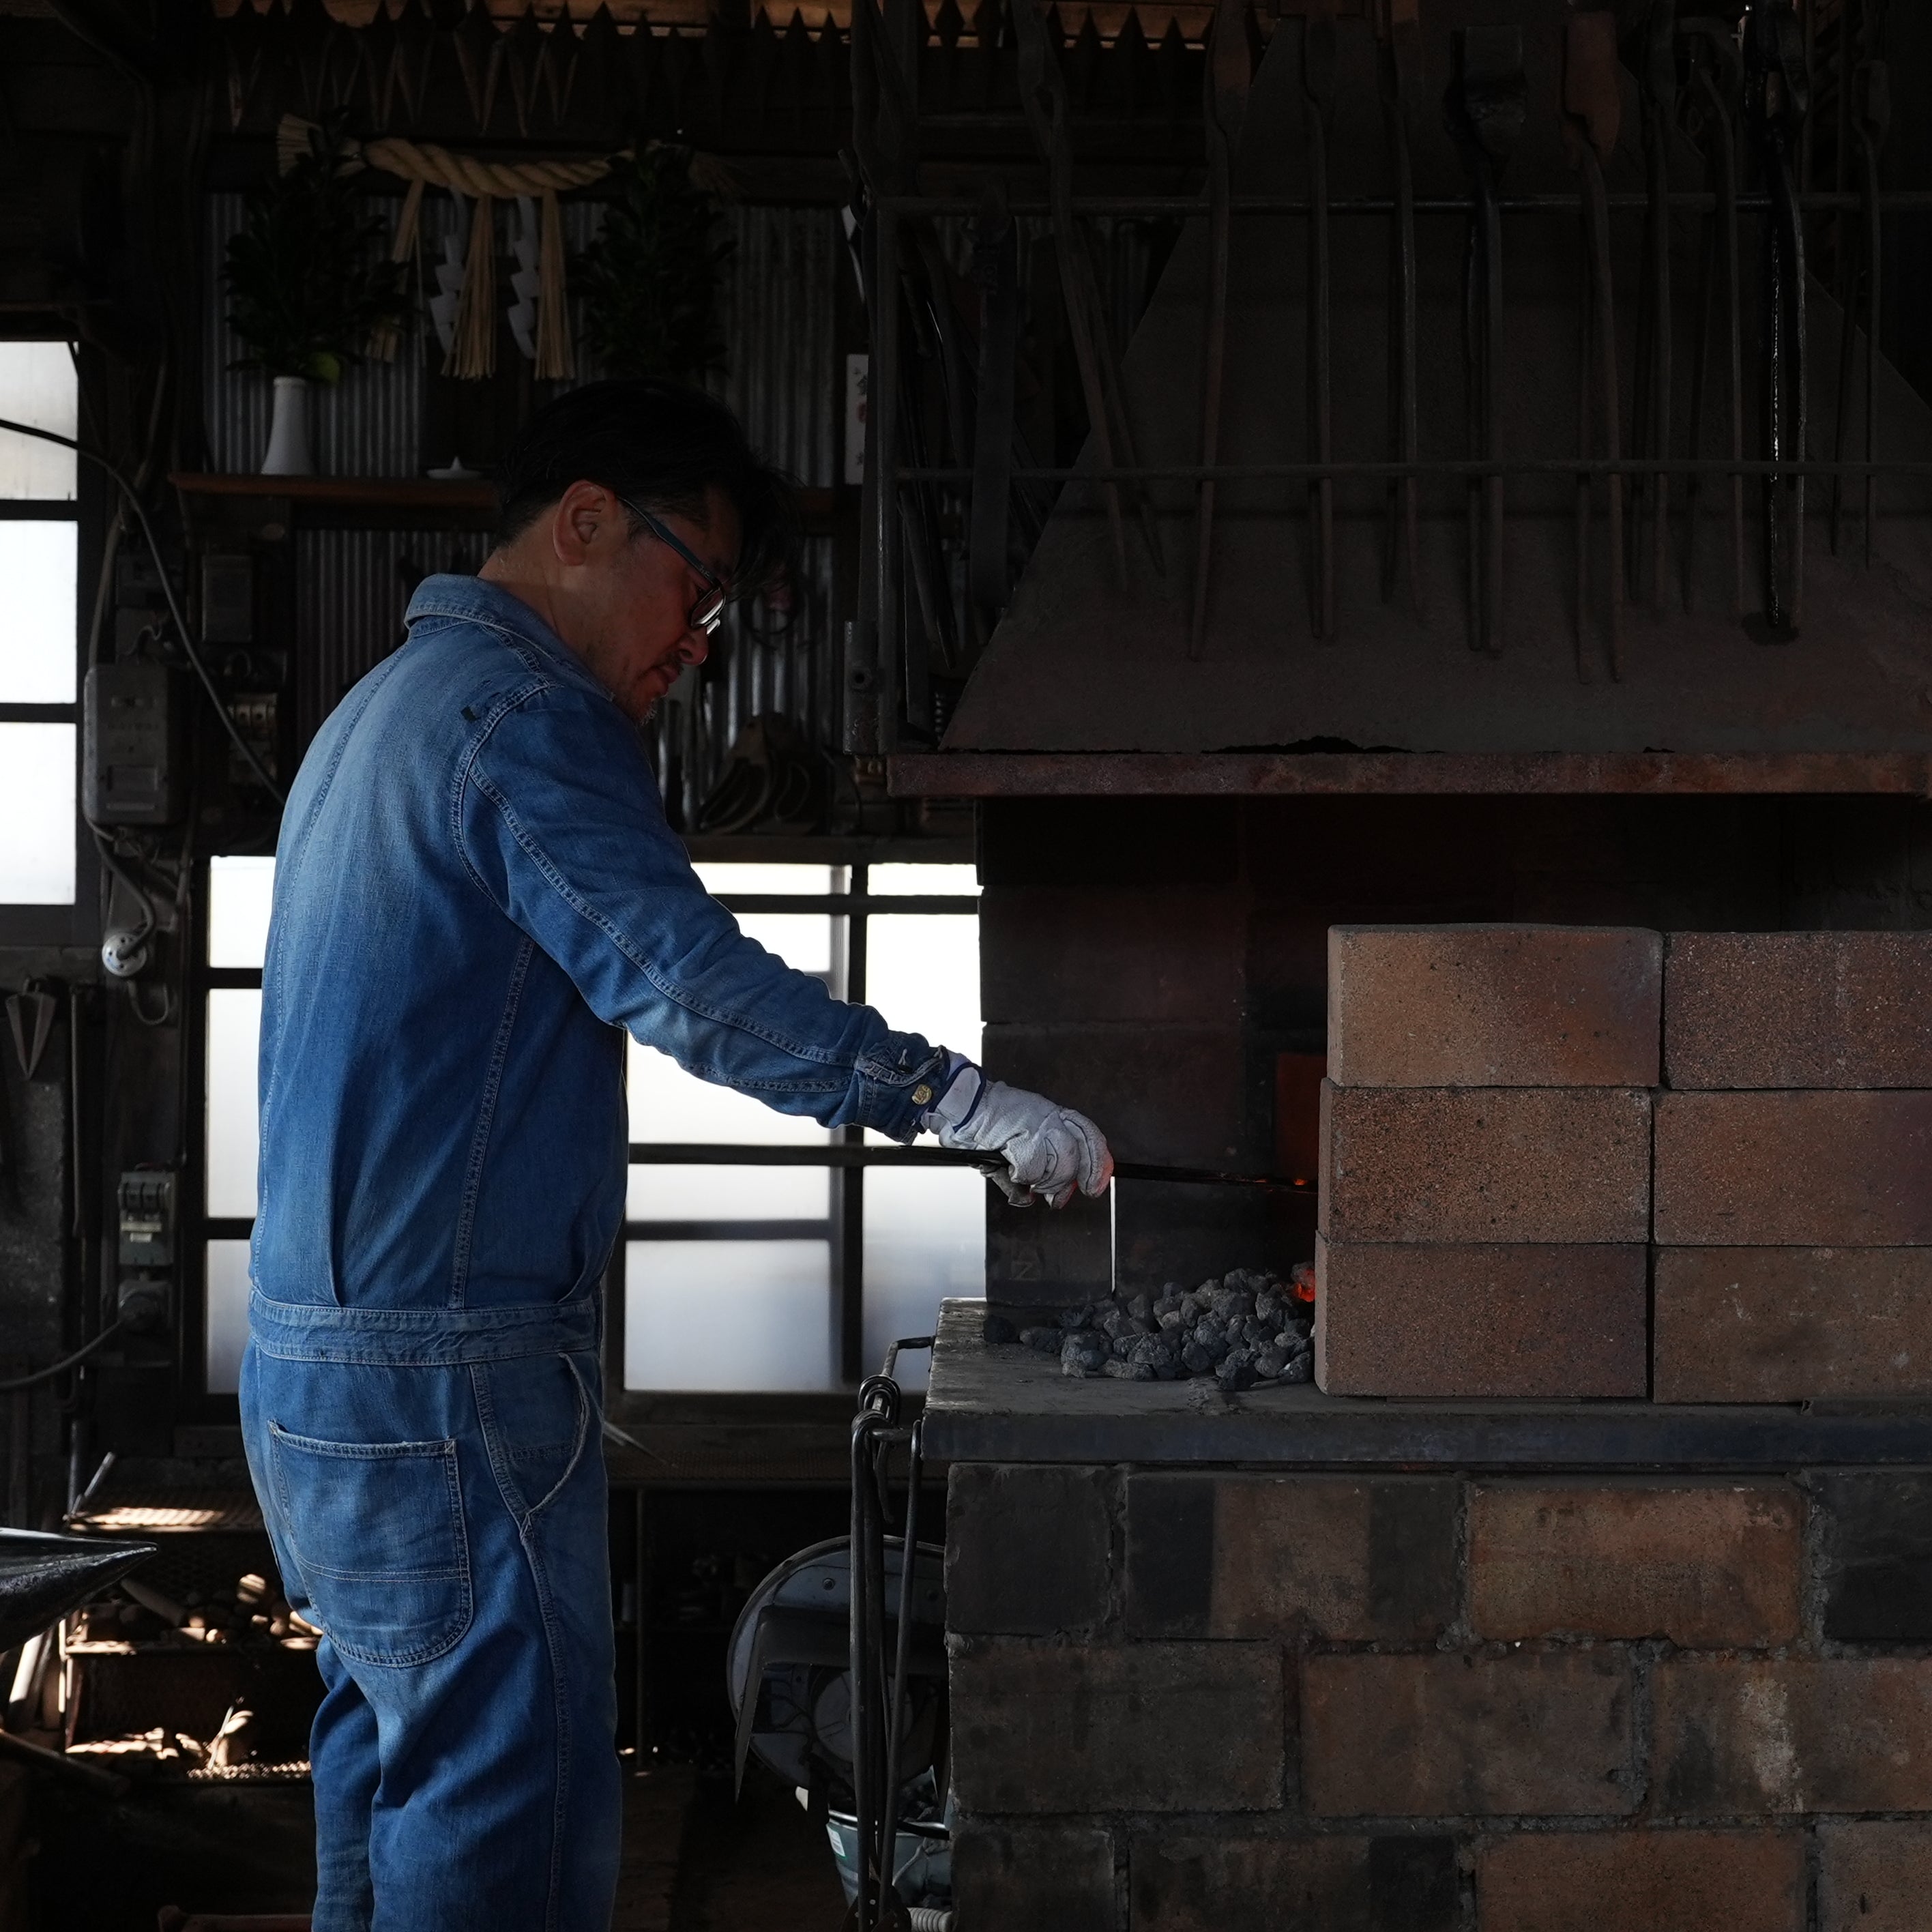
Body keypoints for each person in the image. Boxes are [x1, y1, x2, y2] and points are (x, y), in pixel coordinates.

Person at [238, 378, 1112, 1932]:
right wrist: (956, 1101)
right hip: (448, 1383)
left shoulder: (368, 719)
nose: (698, 646)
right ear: (584, 521)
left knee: (389, 1778)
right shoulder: (524, 718)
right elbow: (683, 977)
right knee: (503, 1826)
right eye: (691, 590)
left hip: (317, 1375)